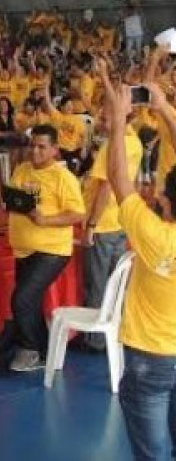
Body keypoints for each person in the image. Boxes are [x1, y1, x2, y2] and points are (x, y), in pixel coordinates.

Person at [103, 64, 176, 460]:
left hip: (151, 356)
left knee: (153, 452)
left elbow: (119, 180)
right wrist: (163, 108)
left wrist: (117, 125)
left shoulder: (155, 236)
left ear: (164, 201)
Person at [7, 124, 85, 371]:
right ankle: (43, 350)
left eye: (42, 147)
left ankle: (29, 349)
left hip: (52, 250)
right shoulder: (22, 169)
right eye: (33, 146)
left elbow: (77, 214)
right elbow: (15, 197)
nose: (36, 152)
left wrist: (46, 220)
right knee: (30, 300)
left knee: (21, 300)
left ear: (54, 149)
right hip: (23, 249)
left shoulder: (63, 178)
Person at [80, 60, 142, 351]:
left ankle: (94, 339)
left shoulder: (110, 147)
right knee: (116, 283)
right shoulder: (134, 141)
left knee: (98, 282)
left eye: (105, 119)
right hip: (120, 221)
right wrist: (106, 77)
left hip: (104, 222)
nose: (101, 122)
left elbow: (105, 186)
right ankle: (116, 328)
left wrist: (91, 224)